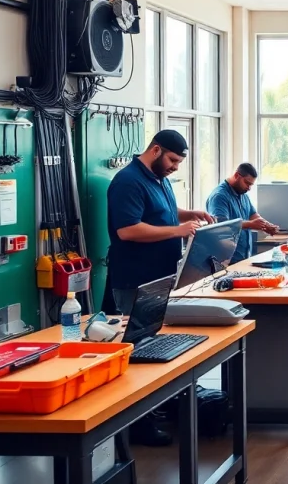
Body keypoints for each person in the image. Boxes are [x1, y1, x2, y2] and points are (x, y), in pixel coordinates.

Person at [104, 129, 214, 446]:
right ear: (155, 150)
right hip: (135, 281)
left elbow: (160, 213)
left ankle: (158, 409)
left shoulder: (158, 179)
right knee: (138, 352)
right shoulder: (127, 182)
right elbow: (128, 229)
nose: (175, 167)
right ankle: (137, 425)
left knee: (155, 347)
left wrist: (188, 214)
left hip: (159, 278)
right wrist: (177, 230)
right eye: (173, 160)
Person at [205, 163, 279, 263]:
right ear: (236, 176)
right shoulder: (219, 196)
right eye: (247, 183)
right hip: (226, 260)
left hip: (244, 257)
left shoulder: (242, 194)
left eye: (251, 185)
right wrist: (250, 224)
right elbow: (221, 226)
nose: (249, 188)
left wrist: (266, 225)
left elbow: (253, 215)